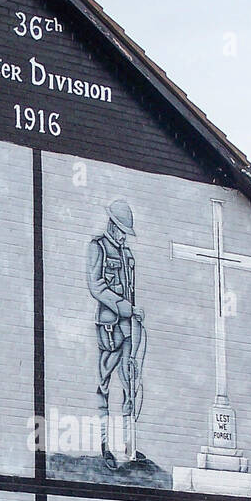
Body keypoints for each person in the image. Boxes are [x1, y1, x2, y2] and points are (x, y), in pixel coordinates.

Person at [88, 198, 145, 469]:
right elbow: (97, 286)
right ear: (112, 225)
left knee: (130, 384)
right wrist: (127, 308)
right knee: (104, 387)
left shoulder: (127, 254)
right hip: (109, 327)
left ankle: (129, 447)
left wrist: (134, 314)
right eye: (121, 229)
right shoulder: (97, 247)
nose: (123, 235)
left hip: (128, 328)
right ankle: (105, 446)